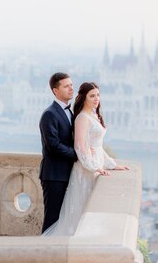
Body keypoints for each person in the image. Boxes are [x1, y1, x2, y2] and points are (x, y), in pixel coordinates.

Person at [42, 81, 129, 236]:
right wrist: (94, 167)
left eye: (98, 95)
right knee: (79, 211)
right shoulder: (82, 118)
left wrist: (111, 164)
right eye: (92, 96)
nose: (96, 99)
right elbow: (80, 147)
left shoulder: (93, 115)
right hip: (85, 170)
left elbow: (97, 146)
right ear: (84, 98)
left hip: (93, 165)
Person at [39, 72, 77, 233]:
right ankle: (43, 255)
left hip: (67, 174)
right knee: (52, 219)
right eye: (66, 86)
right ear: (55, 91)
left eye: (71, 85)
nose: (71, 88)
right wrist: (77, 155)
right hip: (54, 176)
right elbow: (53, 145)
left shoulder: (70, 112)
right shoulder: (49, 114)